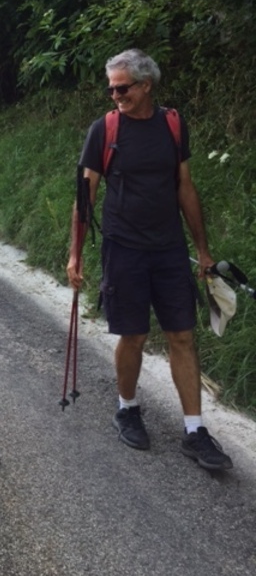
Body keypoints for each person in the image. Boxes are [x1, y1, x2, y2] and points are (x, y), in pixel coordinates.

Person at [66, 48, 233, 471]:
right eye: (111, 88)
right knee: (134, 336)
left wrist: (203, 250)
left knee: (182, 335)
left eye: (122, 88)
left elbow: (185, 187)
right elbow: (84, 197)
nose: (114, 95)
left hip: (170, 249)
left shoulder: (172, 125)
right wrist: (75, 255)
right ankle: (127, 407)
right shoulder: (104, 130)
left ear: (146, 85)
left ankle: (195, 431)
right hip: (123, 248)